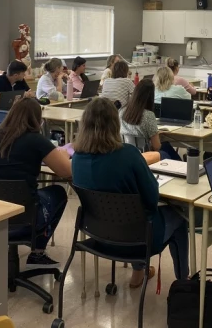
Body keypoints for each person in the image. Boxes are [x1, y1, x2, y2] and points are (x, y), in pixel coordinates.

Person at [72, 98, 189, 288]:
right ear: (114, 123)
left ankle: (138, 271)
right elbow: (152, 199)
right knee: (179, 218)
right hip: (139, 239)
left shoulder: (77, 158)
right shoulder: (128, 154)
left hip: (98, 235)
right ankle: (184, 282)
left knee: (132, 216)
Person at [0, 98, 71, 269]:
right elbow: (66, 172)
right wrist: (64, 155)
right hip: (25, 215)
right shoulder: (36, 140)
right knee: (58, 193)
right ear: (37, 119)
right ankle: (37, 252)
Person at [120, 79, 181, 162]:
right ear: (150, 96)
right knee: (166, 150)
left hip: (126, 154)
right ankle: (182, 167)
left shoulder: (121, 112)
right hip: (145, 156)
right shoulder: (148, 115)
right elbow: (157, 147)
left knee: (166, 147)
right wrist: (155, 136)